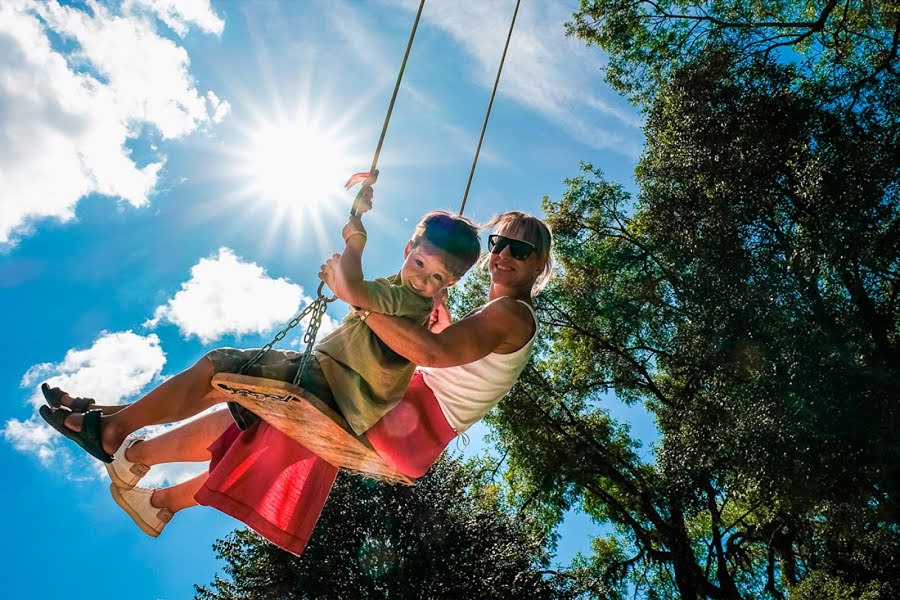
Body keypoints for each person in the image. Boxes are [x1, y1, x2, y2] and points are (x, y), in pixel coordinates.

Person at [42, 209, 553, 555]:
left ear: (539, 265)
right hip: (396, 421)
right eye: (498, 242)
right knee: (251, 417)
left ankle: (118, 435)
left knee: (232, 377)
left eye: (521, 250)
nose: (505, 253)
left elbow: (434, 355)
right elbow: (440, 347)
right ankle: (132, 451)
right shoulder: (487, 311)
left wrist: (357, 278)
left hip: (397, 418)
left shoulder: (511, 313)